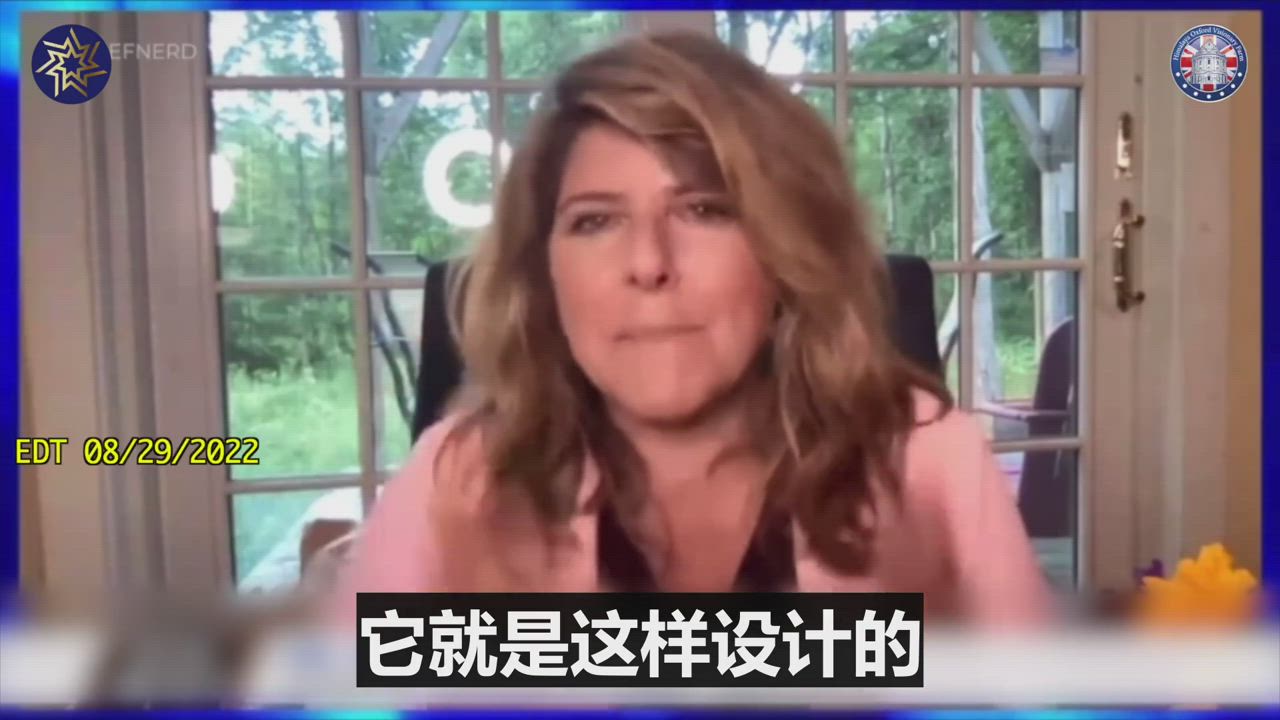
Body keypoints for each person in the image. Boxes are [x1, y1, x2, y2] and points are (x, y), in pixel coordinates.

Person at [334, 31, 1052, 625]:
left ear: (785, 252)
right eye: (595, 220)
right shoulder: (453, 478)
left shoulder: (930, 458)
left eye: (705, 210)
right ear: (544, 275)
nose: (649, 263)